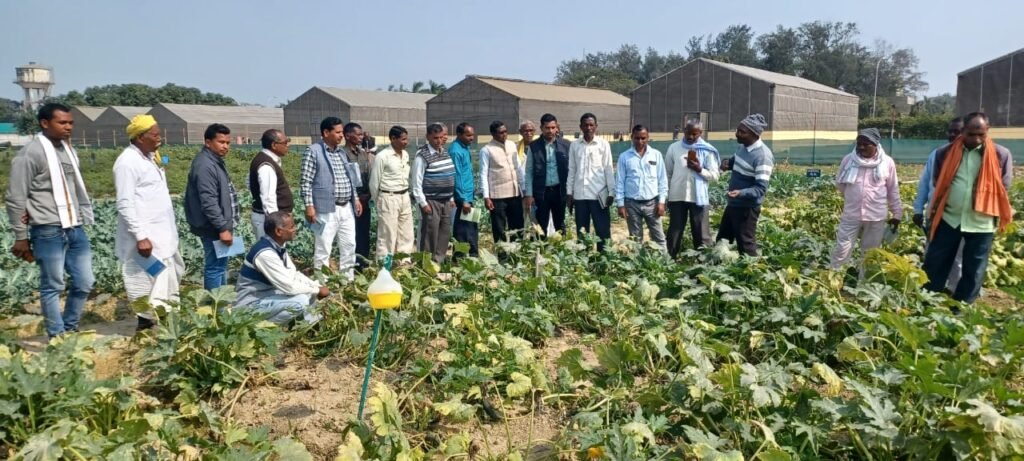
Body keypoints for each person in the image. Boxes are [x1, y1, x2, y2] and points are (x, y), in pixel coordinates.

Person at [5, 103, 95, 339]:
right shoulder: (30, 154)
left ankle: (70, 325)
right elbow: (16, 196)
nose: (68, 127)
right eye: (62, 123)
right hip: (47, 229)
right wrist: (21, 236)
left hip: (74, 226)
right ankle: (57, 336)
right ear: (45, 123)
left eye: (71, 123)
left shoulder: (68, 151)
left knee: (85, 281)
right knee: (52, 285)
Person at [923, 112, 1013, 304]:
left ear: (987, 131)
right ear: (962, 131)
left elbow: (1003, 187)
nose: (976, 139)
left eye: (981, 134)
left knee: (974, 269)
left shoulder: (1001, 154)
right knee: (936, 262)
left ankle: (962, 306)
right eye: (971, 134)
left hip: (981, 221)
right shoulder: (944, 153)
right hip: (949, 217)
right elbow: (938, 183)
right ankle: (928, 301)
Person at [114, 114, 184, 331]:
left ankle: (166, 320)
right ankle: (146, 323)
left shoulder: (151, 157)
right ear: (140, 137)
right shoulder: (127, 163)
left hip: (162, 233)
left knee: (169, 276)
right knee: (144, 279)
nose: (159, 138)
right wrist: (140, 236)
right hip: (145, 238)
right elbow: (125, 203)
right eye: (155, 135)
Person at [235, 211, 328, 326]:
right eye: (292, 226)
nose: (295, 229)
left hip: (267, 296)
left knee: (308, 290)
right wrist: (318, 290)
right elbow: (289, 287)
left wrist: (316, 286)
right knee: (300, 302)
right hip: (250, 305)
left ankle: (312, 324)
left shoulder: (277, 247)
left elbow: (293, 274)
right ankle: (262, 328)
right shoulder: (265, 254)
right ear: (279, 231)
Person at [829, 128, 902, 270]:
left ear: (875, 144)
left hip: (876, 216)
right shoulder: (849, 160)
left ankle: (863, 285)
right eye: (859, 143)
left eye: (866, 144)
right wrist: (853, 197)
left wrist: (897, 213)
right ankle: (834, 281)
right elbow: (840, 183)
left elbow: (892, 189)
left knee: (869, 253)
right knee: (841, 250)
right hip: (851, 214)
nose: (861, 147)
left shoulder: (887, 162)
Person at [301, 117, 362, 278]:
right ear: (326, 133)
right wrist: (309, 206)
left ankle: (348, 281)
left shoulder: (341, 153)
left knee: (349, 245)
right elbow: (306, 181)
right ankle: (323, 285)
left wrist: (355, 199)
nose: (341, 135)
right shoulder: (313, 151)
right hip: (325, 209)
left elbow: (350, 179)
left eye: (342, 132)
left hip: (345, 208)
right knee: (323, 248)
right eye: (338, 132)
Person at [184, 123, 240, 290]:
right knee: (215, 267)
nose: (225, 146)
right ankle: (216, 308)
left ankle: (220, 304)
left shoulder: (214, 161)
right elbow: (208, 201)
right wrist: (223, 228)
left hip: (220, 226)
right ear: (208, 142)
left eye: (228, 143)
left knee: (221, 265)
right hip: (214, 227)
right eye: (221, 142)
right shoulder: (205, 165)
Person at [912, 117, 965, 290]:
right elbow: (925, 184)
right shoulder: (937, 154)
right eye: (950, 131)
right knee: (932, 252)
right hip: (936, 214)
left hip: (960, 215)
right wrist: (918, 209)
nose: (952, 135)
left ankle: (954, 289)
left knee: (958, 255)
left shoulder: (972, 157)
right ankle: (931, 288)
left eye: (957, 131)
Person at [717, 114, 774, 256]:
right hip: (734, 204)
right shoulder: (743, 147)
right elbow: (735, 161)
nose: (737, 134)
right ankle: (722, 270)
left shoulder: (763, 157)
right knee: (723, 239)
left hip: (747, 209)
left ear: (754, 134)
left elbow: (760, 189)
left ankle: (752, 273)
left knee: (746, 245)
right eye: (738, 130)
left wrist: (741, 193)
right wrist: (727, 164)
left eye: (742, 132)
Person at [665, 120, 720, 256]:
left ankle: (703, 264)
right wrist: (666, 195)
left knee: (701, 234)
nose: (690, 137)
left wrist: (699, 169)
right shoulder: (674, 148)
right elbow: (668, 174)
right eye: (688, 133)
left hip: (698, 197)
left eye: (694, 134)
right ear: (684, 130)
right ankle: (669, 262)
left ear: (700, 133)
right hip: (677, 195)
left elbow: (715, 176)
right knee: (675, 231)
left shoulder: (707, 150)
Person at [616, 125, 668, 250]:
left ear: (648, 138)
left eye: (643, 138)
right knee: (635, 239)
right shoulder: (624, 157)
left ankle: (665, 265)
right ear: (632, 137)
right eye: (637, 138)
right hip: (631, 204)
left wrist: (661, 202)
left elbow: (662, 180)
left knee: (659, 237)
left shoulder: (656, 155)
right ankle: (637, 267)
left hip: (652, 203)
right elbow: (620, 181)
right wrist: (620, 204)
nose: (640, 141)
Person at [567, 113, 615, 250]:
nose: (588, 128)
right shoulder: (575, 146)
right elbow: (572, 170)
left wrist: (611, 192)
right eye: (585, 125)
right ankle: (583, 263)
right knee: (582, 232)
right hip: (580, 196)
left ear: (596, 127)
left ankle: (604, 260)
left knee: (603, 231)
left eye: (591, 125)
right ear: (580, 127)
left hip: (599, 196)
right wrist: (569, 192)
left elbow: (608, 169)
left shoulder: (603, 144)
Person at [411, 123, 456, 263]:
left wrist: (452, 197)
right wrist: (423, 203)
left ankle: (439, 262)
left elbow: (449, 175)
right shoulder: (422, 156)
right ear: (428, 137)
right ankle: (426, 265)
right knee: (430, 234)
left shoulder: (445, 152)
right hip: (431, 201)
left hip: (446, 200)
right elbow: (416, 182)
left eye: (441, 137)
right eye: (435, 138)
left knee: (444, 233)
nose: (438, 140)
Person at [368, 125, 415, 259]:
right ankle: (384, 266)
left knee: (406, 233)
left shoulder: (405, 154)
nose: (406, 142)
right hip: (388, 197)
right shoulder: (383, 156)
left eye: (407, 139)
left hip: (404, 196)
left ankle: (403, 264)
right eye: (403, 139)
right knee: (387, 234)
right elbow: (374, 182)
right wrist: (379, 201)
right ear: (393, 139)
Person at [524, 114, 571, 237]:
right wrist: (529, 194)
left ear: (557, 128)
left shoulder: (566, 145)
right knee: (541, 225)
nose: (550, 131)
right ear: (541, 128)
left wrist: (570, 192)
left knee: (560, 223)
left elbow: (572, 170)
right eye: (547, 128)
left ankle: (563, 251)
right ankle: (542, 252)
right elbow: (528, 172)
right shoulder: (534, 147)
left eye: (553, 127)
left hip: (559, 191)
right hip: (541, 193)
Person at [480, 121, 525, 247]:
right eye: (501, 133)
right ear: (493, 134)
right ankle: (503, 255)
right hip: (497, 195)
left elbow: (518, 167)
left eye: (505, 132)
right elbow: (483, 174)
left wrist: (524, 188)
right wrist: (486, 196)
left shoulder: (511, 145)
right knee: (499, 227)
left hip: (515, 192)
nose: (504, 135)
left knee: (517, 225)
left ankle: (517, 252)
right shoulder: (487, 150)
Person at [249, 129, 293, 240]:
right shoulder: (266, 165)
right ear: (274, 145)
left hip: (269, 219)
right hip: (268, 221)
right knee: (270, 253)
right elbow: (268, 199)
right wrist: (276, 225)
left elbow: (248, 182)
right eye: (285, 143)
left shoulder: (264, 159)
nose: (287, 146)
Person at [343, 122, 375, 269]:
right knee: (352, 234)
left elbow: (369, 175)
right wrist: (355, 197)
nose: (362, 137)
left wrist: (368, 194)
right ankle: (353, 265)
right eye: (359, 134)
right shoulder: (342, 154)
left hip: (364, 199)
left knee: (364, 233)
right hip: (351, 201)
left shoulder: (363, 154)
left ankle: (364, 263)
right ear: (348, 136)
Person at [449, 122, 479, 259]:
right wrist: (464, 199)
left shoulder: (464, 148)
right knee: (462, 230)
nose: (471, 138)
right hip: (463, 198)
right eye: (468, 135)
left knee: (472, 227)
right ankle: (459, 257)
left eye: (472, 135)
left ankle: (473, 254)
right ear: (459, 135)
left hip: (469, 195)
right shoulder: (455, 150)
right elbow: (457, 176)